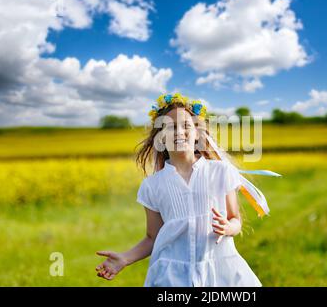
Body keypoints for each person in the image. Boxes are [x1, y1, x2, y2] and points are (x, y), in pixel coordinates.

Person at [95, 93, 262, 286]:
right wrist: (125, 258)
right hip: (173, 276)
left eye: (186, 126)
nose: (178, 132)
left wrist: (228, 227)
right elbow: (153, 237)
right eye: (170, 127)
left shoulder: (221, 171)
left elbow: (235, 219)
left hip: (220, 271)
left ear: (198, 133)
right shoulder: (152, 186)